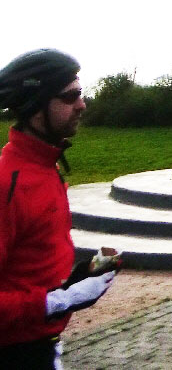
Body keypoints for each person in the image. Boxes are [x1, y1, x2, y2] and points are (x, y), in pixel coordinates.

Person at [1, 48, 121, 368]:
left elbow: (28, 264)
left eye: (81, 93)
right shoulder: (7, 184)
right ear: (35, 107)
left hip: (44, 346)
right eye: (70, 96)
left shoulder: (46, 166)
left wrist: (74, 281)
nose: (82, 105)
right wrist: (58, 300)